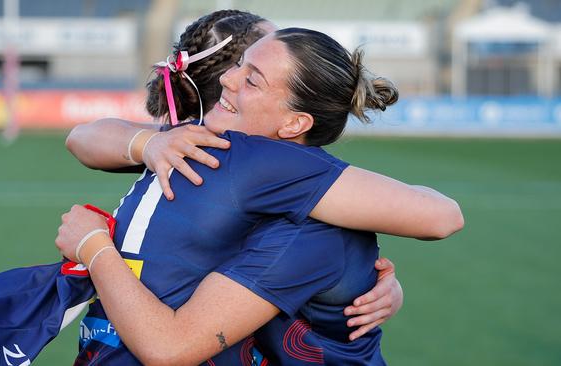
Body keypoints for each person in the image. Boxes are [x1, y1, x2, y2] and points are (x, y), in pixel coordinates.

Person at [59, 17, 462, 366]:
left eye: (251, 79)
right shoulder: (216, 150)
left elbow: (442, 216)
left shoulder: (264, 166)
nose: (226, 80)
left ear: (294, 124)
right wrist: (146, 143)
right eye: (238, 64)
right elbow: (84, 138)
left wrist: (94, 246)